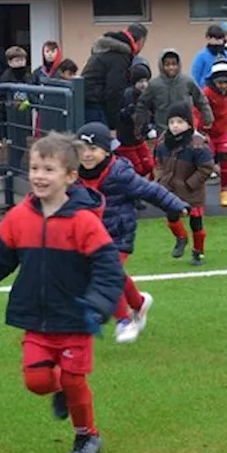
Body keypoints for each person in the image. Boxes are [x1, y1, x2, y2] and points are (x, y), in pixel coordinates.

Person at [0, 133, 123, 453]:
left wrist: (98, 303)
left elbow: (109, 270)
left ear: (69, 176)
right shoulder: (18, 218)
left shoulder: (84, 222)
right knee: (37, 381)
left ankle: (86, 434)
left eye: (49, 169)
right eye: (35, 167)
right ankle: (60, 392)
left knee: (72, 378)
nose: (38, 175)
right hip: (35, 318)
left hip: (74, 318)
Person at [75, 123, 186, 344]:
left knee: (106, 273)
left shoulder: (119, 173)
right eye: (81, 149)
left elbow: (149, 190)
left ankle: (124, 321)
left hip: (117, 234)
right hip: (88, 236)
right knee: (110, 273)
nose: (86, 155)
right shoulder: (72, 174)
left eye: (93, 149)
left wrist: (174, 204)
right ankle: (138, 304)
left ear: (107, 150)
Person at [155, 103, 214, 266]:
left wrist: (189, 184)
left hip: (192, 192)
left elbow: (206, 168)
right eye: (172, 122)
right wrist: (160, 179)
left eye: (180, 122)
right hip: (170, 190)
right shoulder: (162, 142)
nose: (175, 126)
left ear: (189, 123)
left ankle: (198, 252)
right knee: (171, 218)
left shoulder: (197, 144)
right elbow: (158, 163)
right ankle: (181, 238)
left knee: (196, 223)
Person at [135, 49, 214, 135]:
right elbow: (142, 104)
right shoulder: (154, 85)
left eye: (174, 64)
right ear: (162, 66)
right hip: (163, 130)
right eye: (167, 64)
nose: (171, 67)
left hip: (185, 129)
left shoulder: (187, 81)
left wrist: (207, 116)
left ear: (178, 65)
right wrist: (140, 124)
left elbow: (200, 100)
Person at [82, 24, 148, 128]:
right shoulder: (120, 57)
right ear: (141, 41)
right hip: (97, 106)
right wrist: (114, 124)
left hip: (87, 102)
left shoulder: (105, 50)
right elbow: (114, 90)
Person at [203, 60, 227, 206]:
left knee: (224, 159)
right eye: (220, 82)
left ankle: (224, 190)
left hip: (223, 131)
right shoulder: (206, 92)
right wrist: (201, 129)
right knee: (205, 162)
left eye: (226, 82)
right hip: (208, 132)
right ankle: (200, 190)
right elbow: (199, 110)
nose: (223, 85)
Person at [114, 59, 156, 178]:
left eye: (146, 81)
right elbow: (123, 117)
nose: (144, 84)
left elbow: (153, 114)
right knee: (136, 168)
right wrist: (127, 113)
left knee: (149, 165)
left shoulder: (149, 95)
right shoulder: (128, 96)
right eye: (140, 81)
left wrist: (151, 127)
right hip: (127, 141)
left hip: (140, 139)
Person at [0, 46, 33, 174]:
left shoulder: (28, 76)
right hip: (11, 118)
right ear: (10, 62)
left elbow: (32, 94)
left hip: (24, 116)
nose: (20, 63)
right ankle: (13, 170)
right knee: (13, 145)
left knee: (22, 144)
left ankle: (17, 169)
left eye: (22, 60)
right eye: (17, 60)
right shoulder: (6, 76)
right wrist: (7, 107)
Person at [190, 25, 227, 89]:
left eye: (221, 38)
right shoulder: (201, 56)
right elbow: (195, 78)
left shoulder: (226, 55)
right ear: (208, 38)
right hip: (205, 91)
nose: (219, 41)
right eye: (216, 38)